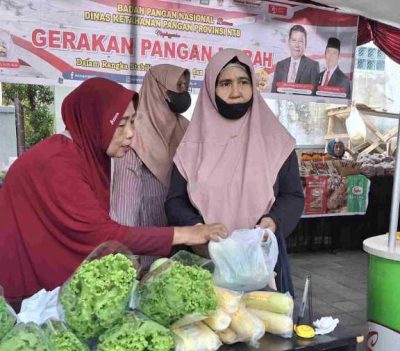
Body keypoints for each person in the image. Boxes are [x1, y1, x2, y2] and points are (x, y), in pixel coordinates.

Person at [0, 77, 227, 303]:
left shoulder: (88, 153)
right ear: (94, 122)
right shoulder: (57, 161)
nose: (130, 133)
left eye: (132, 122)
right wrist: (188, 233)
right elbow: (101, 234)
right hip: (23, 284)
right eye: (120, 124)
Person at [166, 49, 305, 295]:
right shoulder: (192, 146)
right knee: (208, 327)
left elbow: (293, 196)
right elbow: (175, 201)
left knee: (262, 328)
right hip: (205, 262)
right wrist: (197, 229)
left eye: (243, 82)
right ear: (211, 89)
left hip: (260, 262)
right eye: (225, 84)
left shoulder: (276, 142)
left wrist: (274, 221)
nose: (236, 92)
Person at [110, 65, 191, 269]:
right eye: (177, 86)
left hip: (185, 244)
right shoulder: (134, 136)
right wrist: (127, 256)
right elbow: (124, 207)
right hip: (145, 253)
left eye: (185, 86)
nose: (183, 92)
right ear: (157, 88)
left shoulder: (186, 128)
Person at [271, 24, 320, 94]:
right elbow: (274, 92)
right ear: (289, 42)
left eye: (300, 41)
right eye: (294, 40)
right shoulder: (280, 65)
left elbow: (313, 94)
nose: (297, 45)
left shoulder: (313, 66)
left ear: (305, 44)